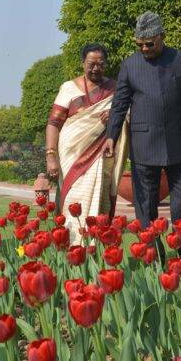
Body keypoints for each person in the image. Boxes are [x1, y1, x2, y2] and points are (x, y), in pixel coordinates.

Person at [104, 11, 181, 260]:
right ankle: (154, 257)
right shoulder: (130, 64)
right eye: (139, 44)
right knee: (145, 206)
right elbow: (120, 104)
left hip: (178, 144)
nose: (145, 48)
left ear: (162, 36)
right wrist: (112, 136)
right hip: (144, 145)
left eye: (149, 43)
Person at [46, 43, 128, 241]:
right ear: (83, 63)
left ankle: (93, 250)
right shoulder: (69, 88)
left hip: (101, 154)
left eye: (100, 64)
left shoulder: (116, 89)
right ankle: (71, 247)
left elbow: (129, 116)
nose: (95, 68)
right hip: (70, 155)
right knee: (72, 200)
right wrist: (51, 155)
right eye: (91, 63)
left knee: (97, 200)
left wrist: (116, 117)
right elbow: (53, 123)